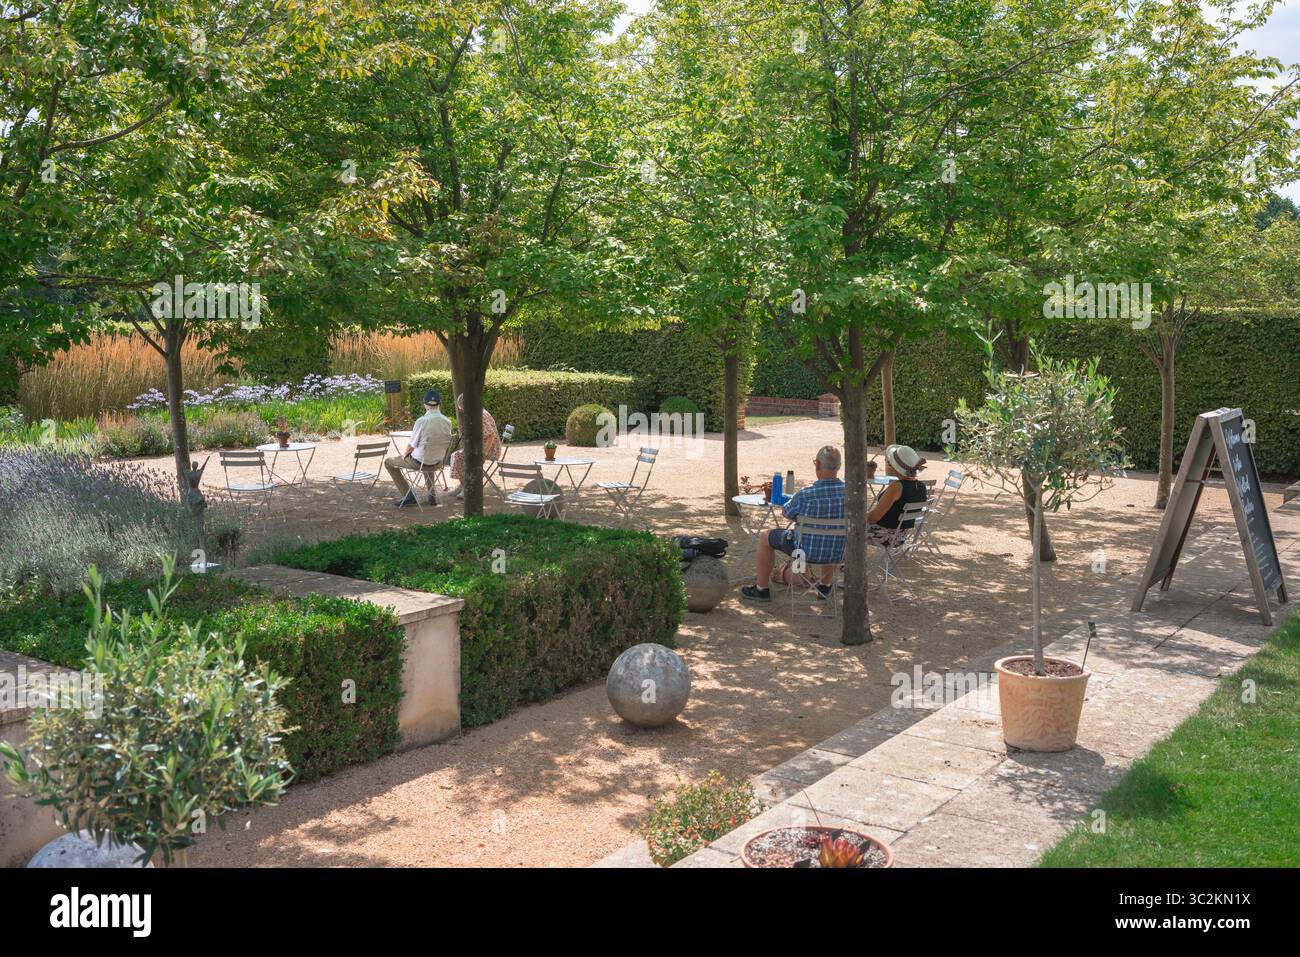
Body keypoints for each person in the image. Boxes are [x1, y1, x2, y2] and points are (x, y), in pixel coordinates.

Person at [741, 445, 845, 602]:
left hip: (803, 551)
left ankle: (761, 588)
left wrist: (804, 520)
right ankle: (825, 585)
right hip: (838, 552)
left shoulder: (806, 494)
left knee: (765, 537)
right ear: (839, 466)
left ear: (817, 464)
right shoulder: (850, 493)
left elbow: (786, 512)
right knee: (831, 536)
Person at [385, 389, 453, 508]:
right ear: (439, 403)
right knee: (428, 456)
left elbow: (411, 445)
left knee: (389, 462)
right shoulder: (447, 422)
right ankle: (432, 496)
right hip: (437, 463)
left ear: (425, 404)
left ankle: (408, 496)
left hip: (419, 463)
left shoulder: (422, 421)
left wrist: (404, 455)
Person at [868, 444, 929, 541]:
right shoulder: (921, 486)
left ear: (895, 467)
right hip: (902, 537)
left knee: (844, 527)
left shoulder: (897, 487)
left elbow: (873, 518)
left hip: (884, 536)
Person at [448, 394, 502, 499]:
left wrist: (483, 453)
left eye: (462, 409)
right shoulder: (478, 412)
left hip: (490, 449)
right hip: (480, 446)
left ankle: (467, 488)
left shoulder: (480, 415)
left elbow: (491, 436)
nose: (463, 412)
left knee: (458, 457)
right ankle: (464, 485)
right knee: (457, 455)